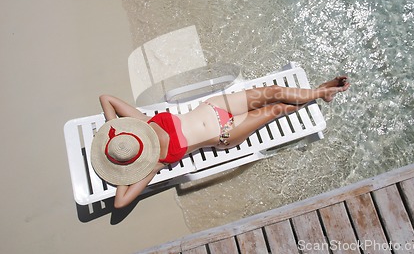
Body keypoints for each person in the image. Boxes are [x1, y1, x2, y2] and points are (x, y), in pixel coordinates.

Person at [91, 76, 350, 208]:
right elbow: (121, 201)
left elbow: (106, 98)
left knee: (273, 92)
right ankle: (323, 92)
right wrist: (126, 167)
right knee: (276, 108)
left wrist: (116, 134)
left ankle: (321, 92)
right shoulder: (153, 164)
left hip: (215, 106)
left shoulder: (142, 123)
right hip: (226, 133)